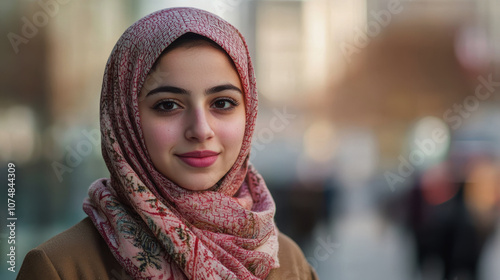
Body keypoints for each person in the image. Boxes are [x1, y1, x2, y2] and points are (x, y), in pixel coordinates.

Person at [17, 7, 318, 280]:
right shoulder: (61, 268)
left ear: (249, 112)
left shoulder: (289, 264)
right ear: (124, 120)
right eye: (167, 105)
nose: (201, 130)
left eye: (223, 103)